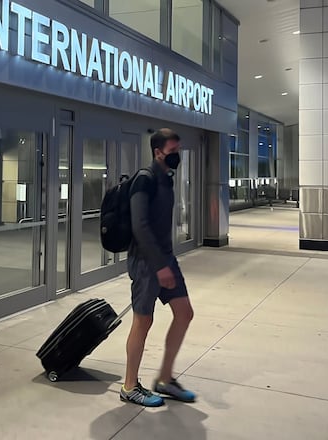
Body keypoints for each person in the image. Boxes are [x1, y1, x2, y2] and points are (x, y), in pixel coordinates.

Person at [120, 128, 196, 407]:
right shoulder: (145, 179)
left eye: (178, 150)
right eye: (172, 151)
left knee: (184, 313)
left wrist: (166, 263)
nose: (177, 155)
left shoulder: (167, 178)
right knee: (143, 321)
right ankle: (129, 386)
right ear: (157, 152)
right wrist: (158, 266)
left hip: (166, 259)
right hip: (146, 261)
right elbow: (140, 226)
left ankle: (165, 379)